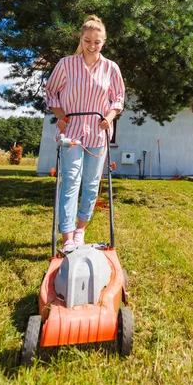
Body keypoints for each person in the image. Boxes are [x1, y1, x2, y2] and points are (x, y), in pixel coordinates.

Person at [45, 15, 125, 252]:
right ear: (81, 38)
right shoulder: (66, 64)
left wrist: (108, 118)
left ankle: (80, 229)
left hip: (98, 134)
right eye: (88, 40)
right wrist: (61, 116)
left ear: (104, 42)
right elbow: (51, 92)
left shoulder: (111, 68)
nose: (92, 45)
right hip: (71, 132)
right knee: (70, 181)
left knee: (91, 184)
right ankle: (67, 236)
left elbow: (118, 98)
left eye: (97, 42)